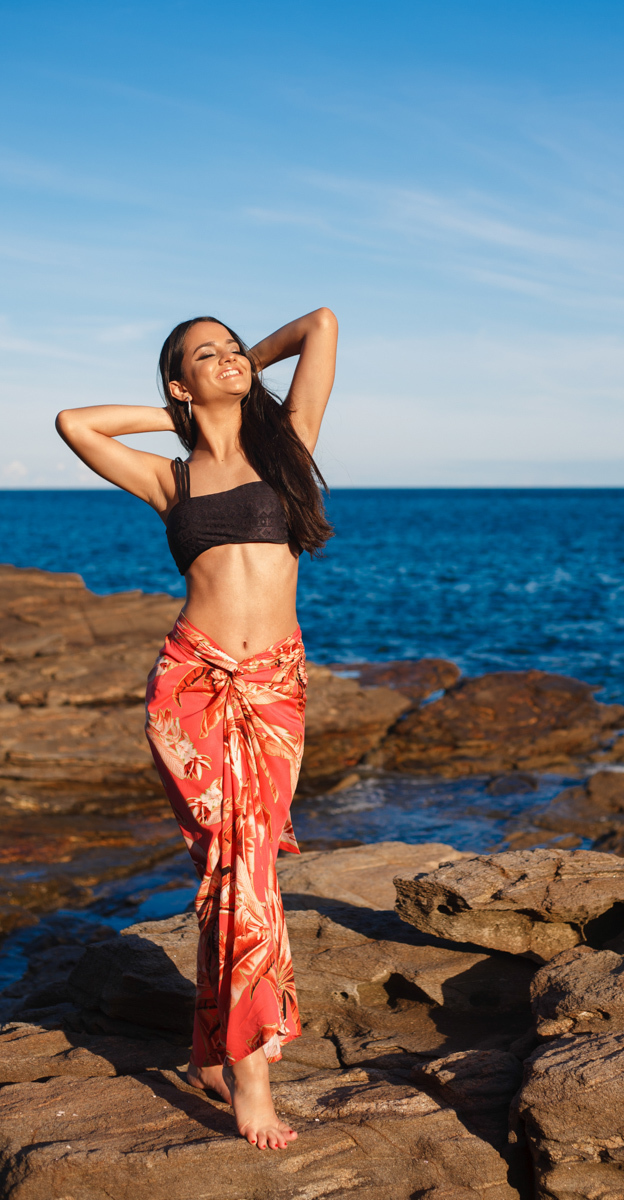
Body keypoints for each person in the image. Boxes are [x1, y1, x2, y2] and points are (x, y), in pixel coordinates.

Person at [56, 309, 337, 1151]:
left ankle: (211, 1049)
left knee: (237, 874)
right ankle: (249, 1075)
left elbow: (320, 325)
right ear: (178, 381)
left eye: (234, 349)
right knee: (242, 868)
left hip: (276, 687)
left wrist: (239, 366)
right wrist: (182, 410)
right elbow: (75, 424)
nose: (227, 359)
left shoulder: (288, 442)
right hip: (192, 685)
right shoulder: (168, 480)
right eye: (202, 355)